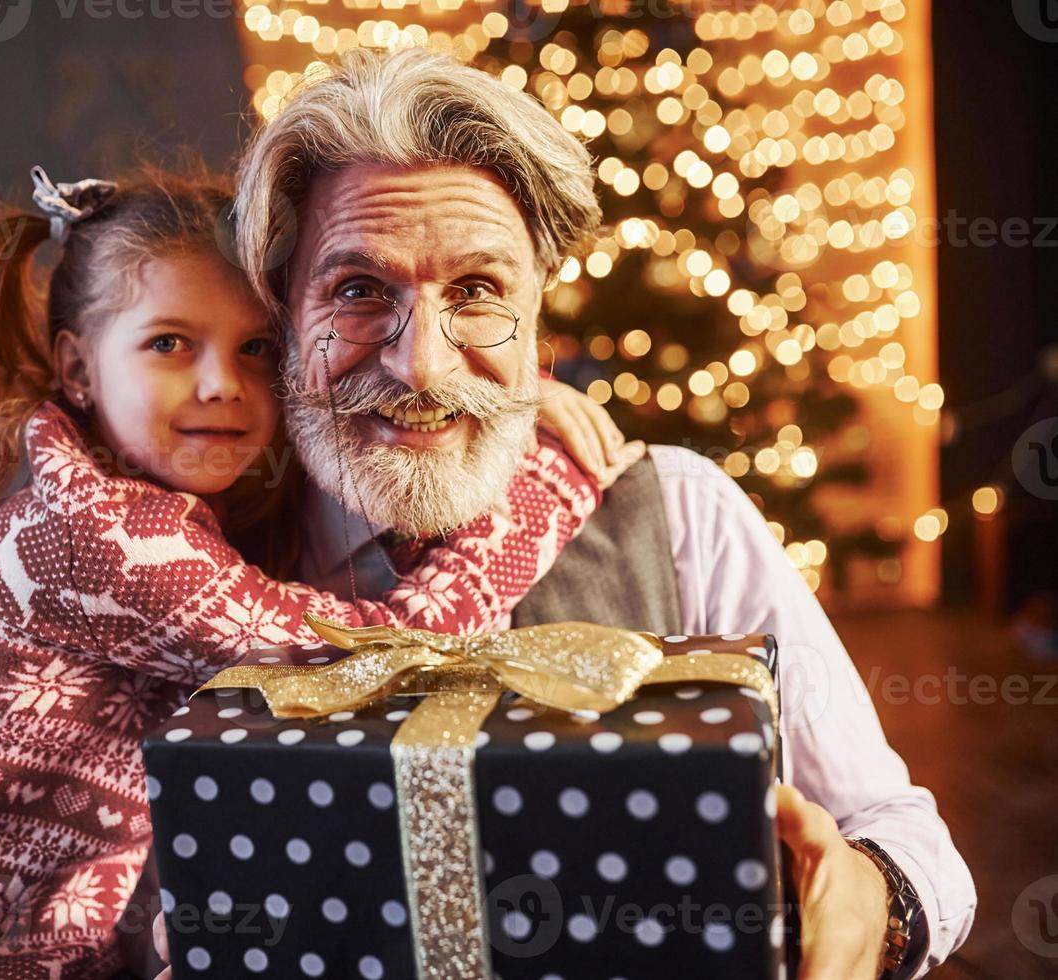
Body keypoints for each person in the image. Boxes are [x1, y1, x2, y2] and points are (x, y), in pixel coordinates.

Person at [183, 46, 975, 980]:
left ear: (537, 322)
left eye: (478, 293)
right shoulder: (195, 548)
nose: (423, 367)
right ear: (282, 313)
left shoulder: (681, 514)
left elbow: (907, 837)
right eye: (359, 291)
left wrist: (868, 901)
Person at [0, 163, 640, 977]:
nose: (221, 383)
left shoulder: (132, 505)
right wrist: (541, 467)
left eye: (256, 348)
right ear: (78, 368)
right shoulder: (97, 536)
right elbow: (379, 663)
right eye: (171, 344)